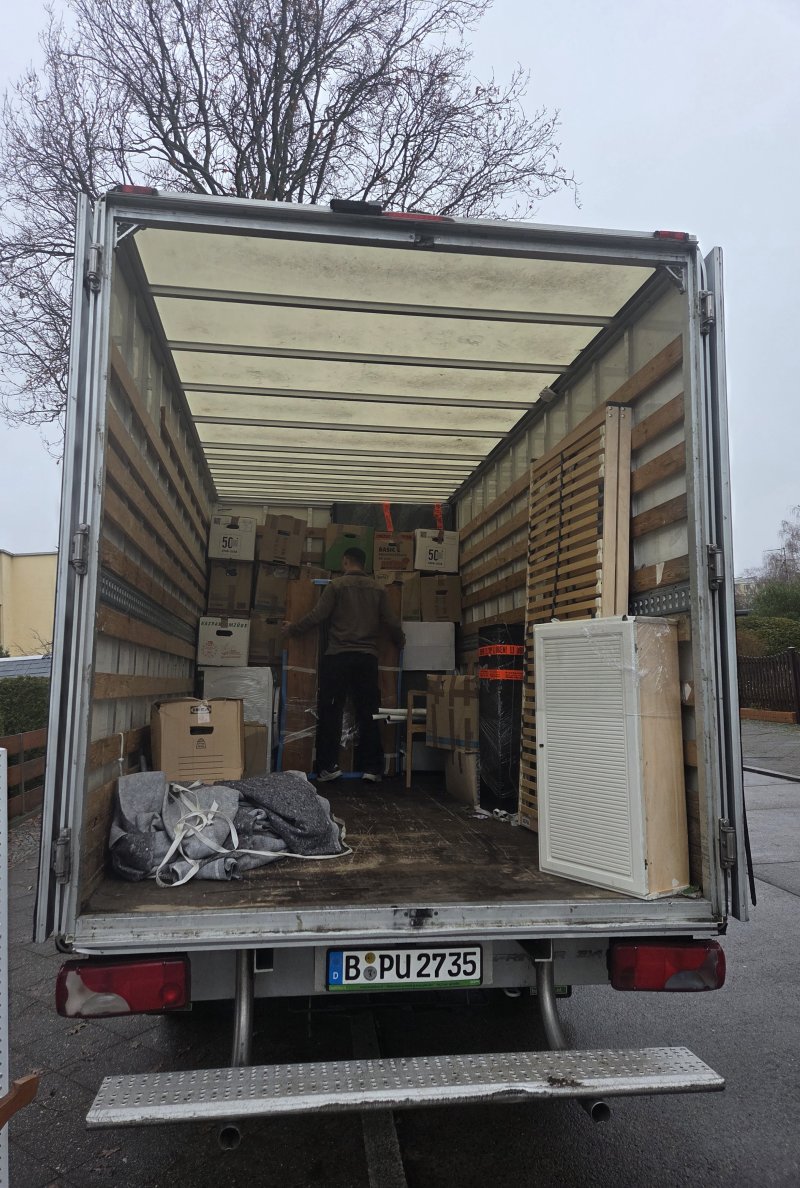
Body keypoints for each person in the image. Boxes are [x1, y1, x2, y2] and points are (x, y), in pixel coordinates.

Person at [283, 547, 405, 783]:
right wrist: (401, 641)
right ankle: (372, 768)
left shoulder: (336, 586)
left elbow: (318, 615)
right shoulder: (378, 589)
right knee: (369, 711)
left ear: (346, 561)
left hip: (338, 657)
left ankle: (328, 766)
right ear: (363, 563)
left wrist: (293, 629)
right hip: (366, 658)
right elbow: (391, 622)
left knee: (331, 710)